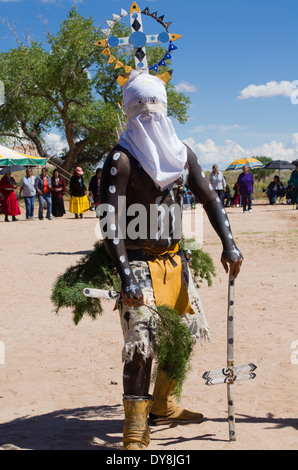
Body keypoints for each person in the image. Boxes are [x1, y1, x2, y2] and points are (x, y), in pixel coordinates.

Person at [99, 72, 243, 450]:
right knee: (141, 344)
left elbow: (211, 199)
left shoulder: (182, 154)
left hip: (175, 262)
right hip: (138, 264)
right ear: (130, 114)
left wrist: (229, 244)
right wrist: (125, 273)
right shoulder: (120, 160)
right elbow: (109, 220)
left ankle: (164, 402)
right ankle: (135, 426)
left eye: (155, 112)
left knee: (184, 337)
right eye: (141, 112)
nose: (150, 121)